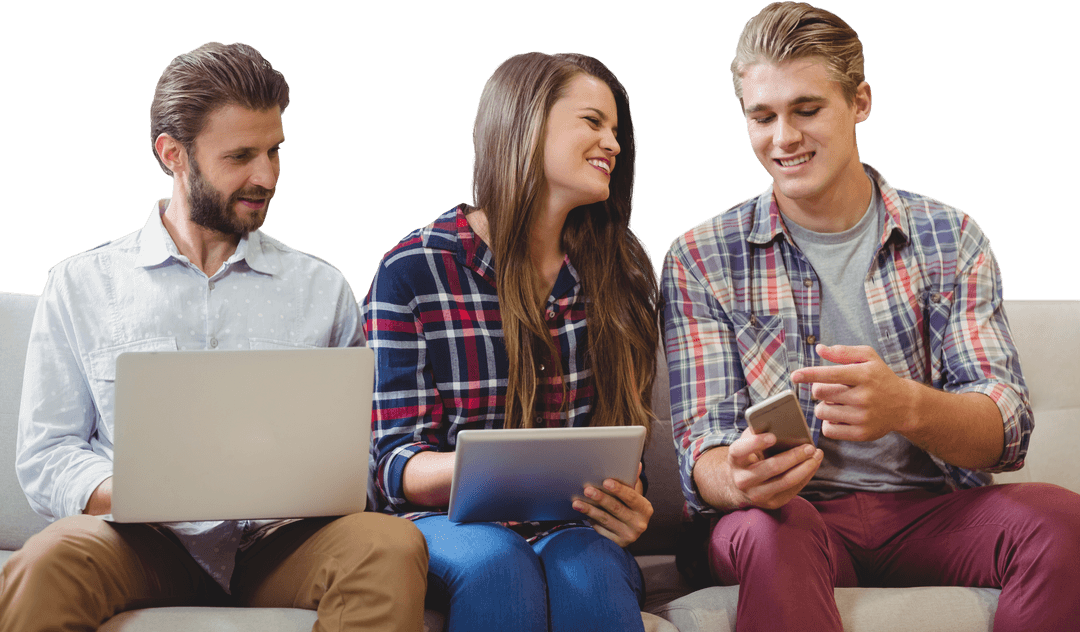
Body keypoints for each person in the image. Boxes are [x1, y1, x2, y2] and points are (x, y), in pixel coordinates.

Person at [661, 3, 1080, 631]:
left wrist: (905, 407)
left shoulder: (951, 236)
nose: (784, 139)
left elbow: (1007, 427)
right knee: (779, 530)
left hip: (930, 512)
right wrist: (738, 475)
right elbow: (702, 446)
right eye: (762, 117)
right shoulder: (701, 256)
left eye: (807, 110)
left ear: (860, 102)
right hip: (785, 518)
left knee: (1061, 521)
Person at [0, 42, 427, 632]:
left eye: (275, 151)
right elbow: (47, 454)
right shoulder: (81, 284)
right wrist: (131, 491)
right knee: (47, 561)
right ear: (172, 154)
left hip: (280, 543)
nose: (267, 176)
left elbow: (360, 453)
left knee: (388, 546)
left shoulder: (321, 288)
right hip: (139, 542)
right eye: (241, 156)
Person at [362, 52, 660, 631]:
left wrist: (628, 503)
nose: (613, 144)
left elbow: (625, 444)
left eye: (617, 131)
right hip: (448, 524)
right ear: (527, 125)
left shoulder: (620, 269)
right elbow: (394, 463)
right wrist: (495, 470)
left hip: (571, 526)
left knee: (592, 570)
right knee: (500, 564)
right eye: (594, 122)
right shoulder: (414, 270)